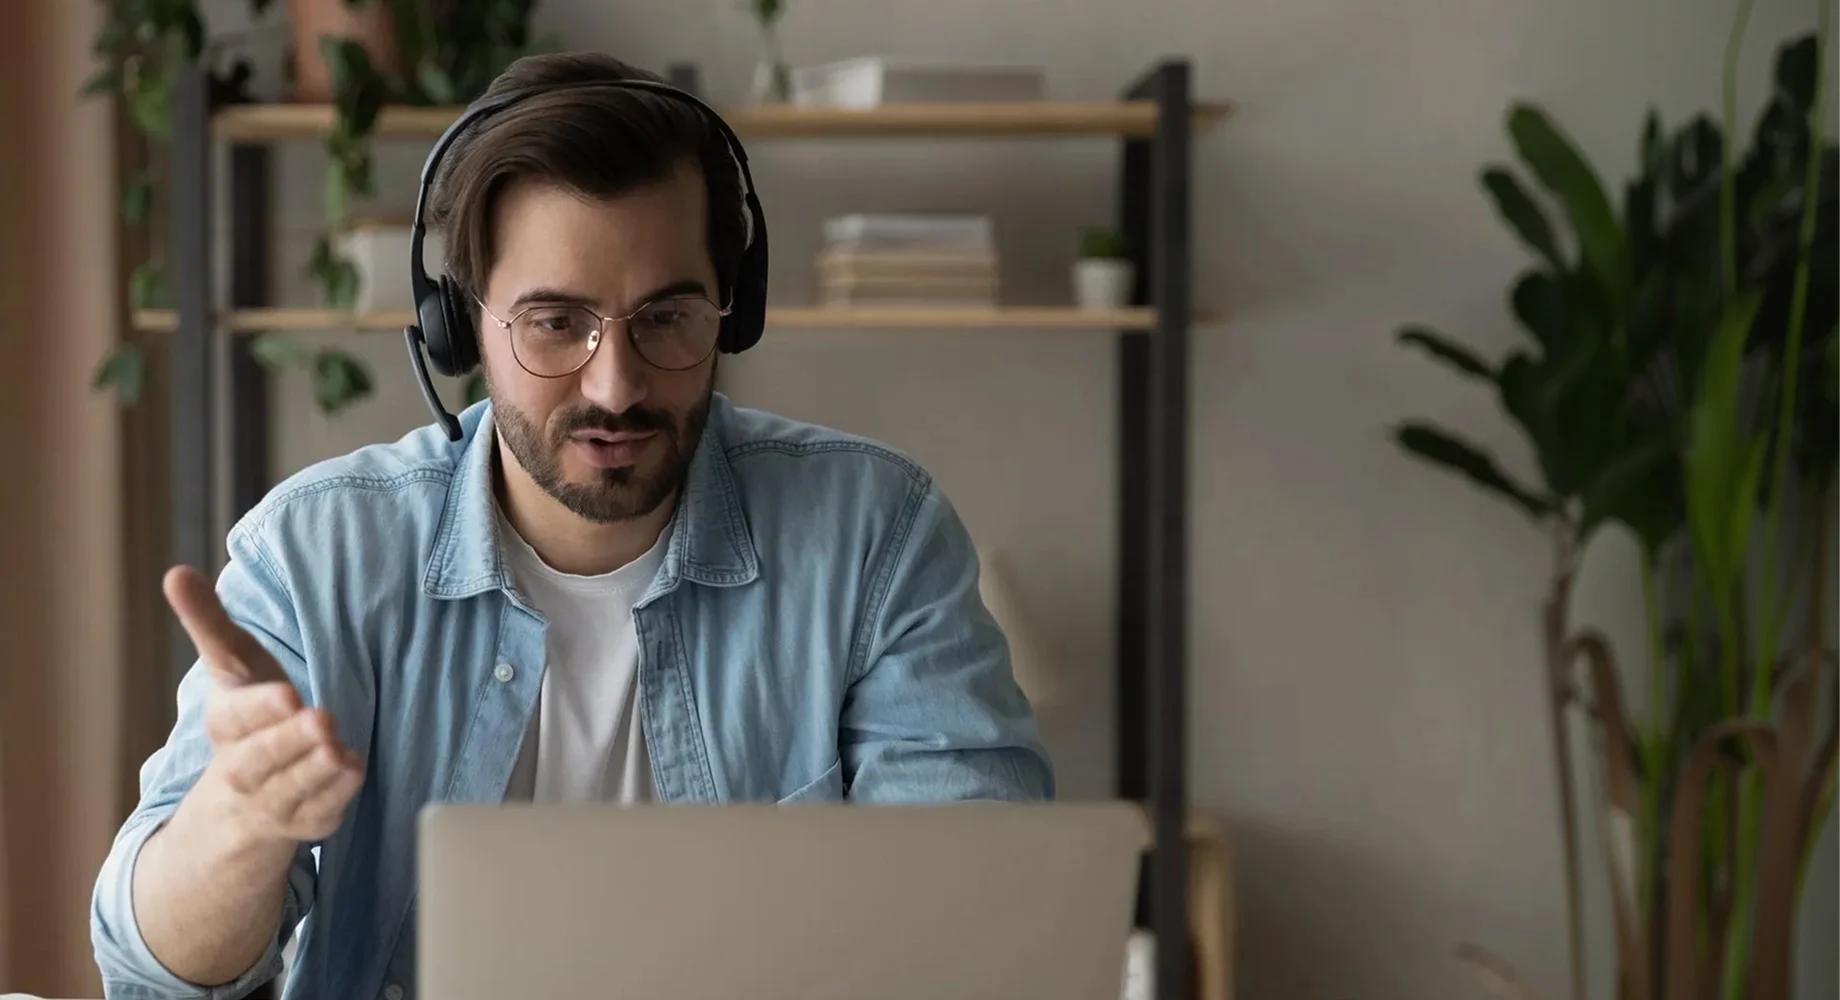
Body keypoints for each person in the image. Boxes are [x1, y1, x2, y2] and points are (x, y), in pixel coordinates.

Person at [90, 51, 1054, 1000]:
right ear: (461, 327)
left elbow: (981, 926)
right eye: (555, 321)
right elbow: (154, 974)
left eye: (667, 316)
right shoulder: (316, 556)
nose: (616, 383)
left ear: (735, 307)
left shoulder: (876, 537)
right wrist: (241, 823)